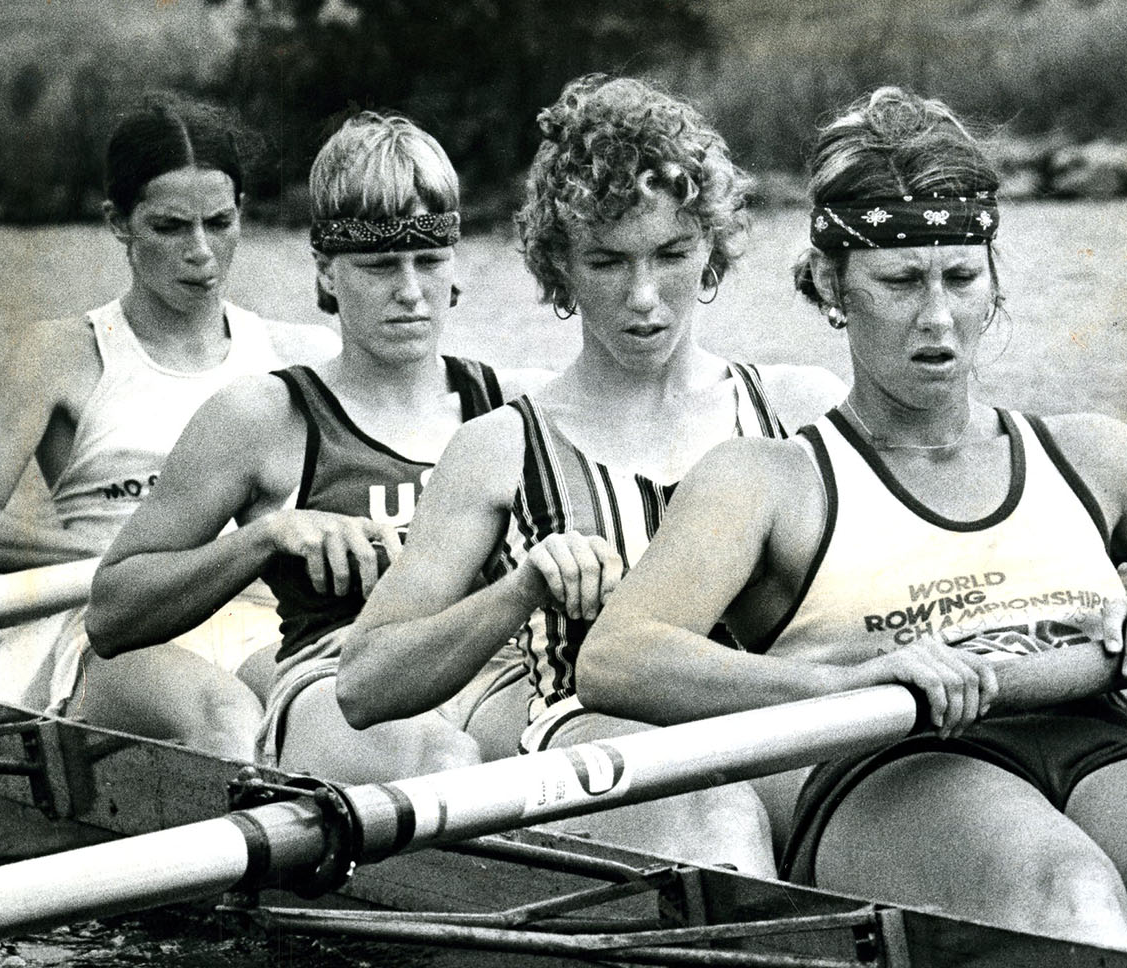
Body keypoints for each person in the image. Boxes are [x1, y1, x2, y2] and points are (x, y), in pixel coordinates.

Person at [574, 87, 1127, 968]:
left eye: (960, 277)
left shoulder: (1094, 457)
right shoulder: (769, 480)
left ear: (993, 280)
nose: (936, 319)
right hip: (892, 768)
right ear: (829, 285)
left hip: (1102, 742)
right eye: (899, 282)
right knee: (1066, 893)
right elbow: (618, 659)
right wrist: (850, 683)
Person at [337, 75, 843, 866]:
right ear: (559, 267)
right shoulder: (501, 449)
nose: (645, 299)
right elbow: (364, 686)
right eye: (607, 262)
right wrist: (521, 587)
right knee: (718, 817)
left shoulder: (800, 407)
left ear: (710, 248)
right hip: (584, 734)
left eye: (672, 254)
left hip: (774, 715)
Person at [87, 111, 544, 777]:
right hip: (337, 686)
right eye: (382, 266)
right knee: (446, 760)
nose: (412, 293)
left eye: (430, 261)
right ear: (328, 274)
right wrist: (267, 537)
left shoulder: (510, 404)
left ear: (456, 266)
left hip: (491, 672)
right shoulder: (262, 417)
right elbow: (110, 614)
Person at [0, 95, 336, 757]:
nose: (201, 253)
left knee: (337, 714)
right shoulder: (60, 354)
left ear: (242, 214)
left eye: (219, 223)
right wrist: (125, 571)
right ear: (118, 224)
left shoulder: (299, 356)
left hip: (258, 622)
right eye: (169, 227)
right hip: (116, 631)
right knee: (226, 717)